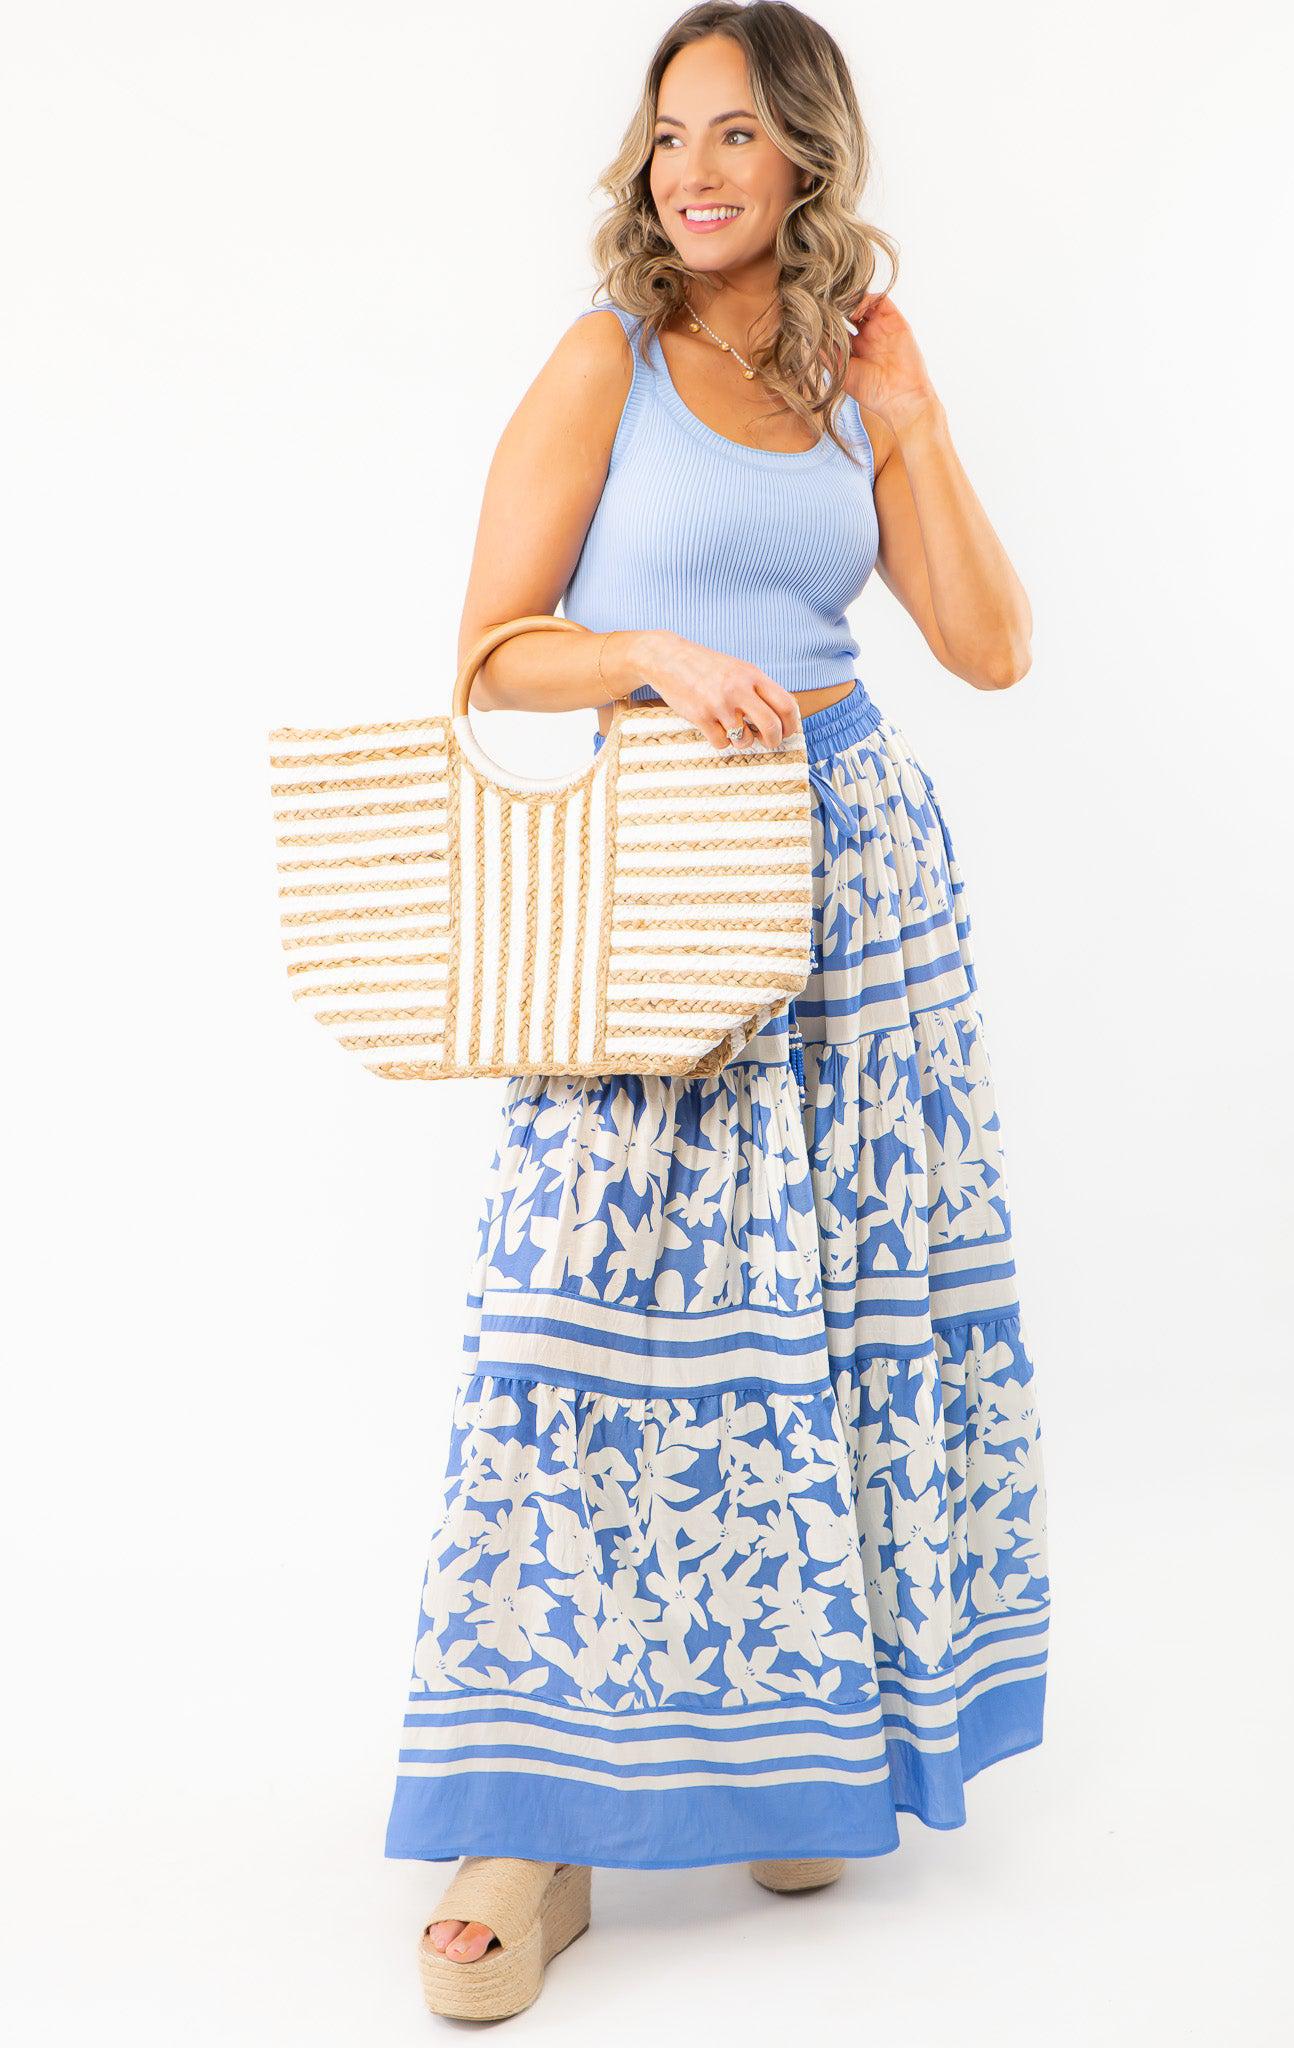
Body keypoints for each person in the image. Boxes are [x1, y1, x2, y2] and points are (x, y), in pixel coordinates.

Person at [386, 2, 1051, 2018]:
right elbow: (492, 650)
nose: (692, 165)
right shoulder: (605, 357)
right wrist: (655, 657)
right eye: (668, 130)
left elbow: (990, 648)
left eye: (736, 134)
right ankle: (534, 1831)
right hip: (655, 896)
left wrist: (914, 419)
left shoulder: (849, 378)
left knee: (834, 1314)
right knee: (584, 1334)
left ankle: (791, 1745)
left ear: (802, 168)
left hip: (855, 885)